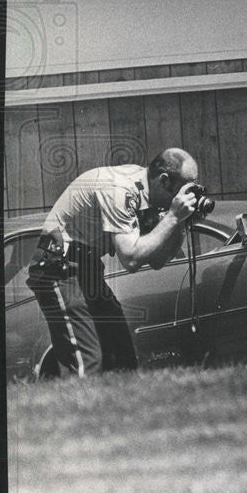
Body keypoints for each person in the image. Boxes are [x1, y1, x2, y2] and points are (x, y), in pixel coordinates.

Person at [26, 148, 201, 376]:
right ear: (164, 180)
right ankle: (77, 409)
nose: (183, 197)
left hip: (86, 267)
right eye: (183, 190)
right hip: (59, 266)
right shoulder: (121, 189)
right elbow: (131, 259)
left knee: (122, 358)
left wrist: (180, 224)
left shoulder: (144, 193)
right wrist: (172, 217)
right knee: (88, 362)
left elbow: (157, 260)